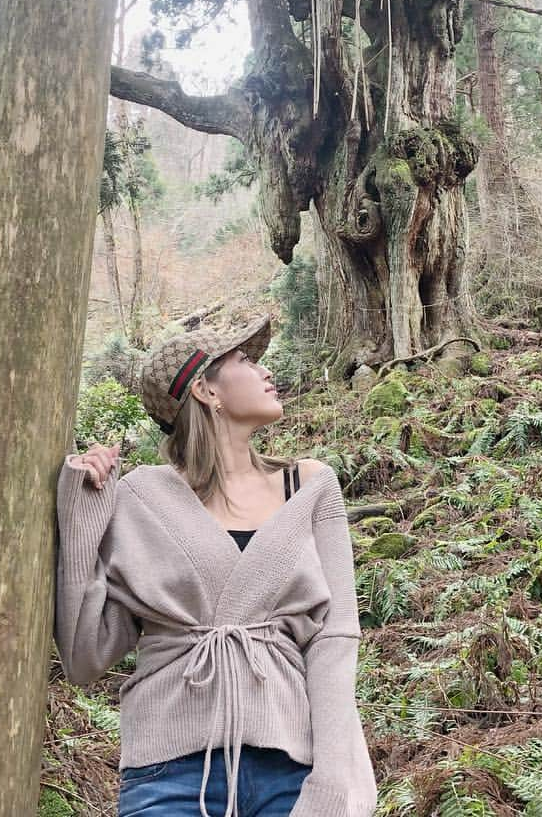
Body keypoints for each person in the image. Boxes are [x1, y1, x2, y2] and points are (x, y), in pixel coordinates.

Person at [55, 313, 378, 817]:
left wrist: (336, 777)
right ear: (206, 390)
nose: (264, 370)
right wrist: (83, 516)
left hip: (289, 769)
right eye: (245, 360)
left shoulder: (311, 486)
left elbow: (335, 638)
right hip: (168, 772)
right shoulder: (140, 497)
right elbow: (84, 657)